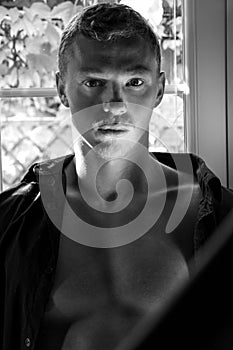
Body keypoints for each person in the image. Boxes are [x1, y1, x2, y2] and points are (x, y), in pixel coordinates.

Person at [0, 3, 233, 350]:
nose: (114, 105)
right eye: (93, 82)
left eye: (134, 82)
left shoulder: (219, 216)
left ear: (159, 90)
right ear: (62, 88)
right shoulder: (11, 224)